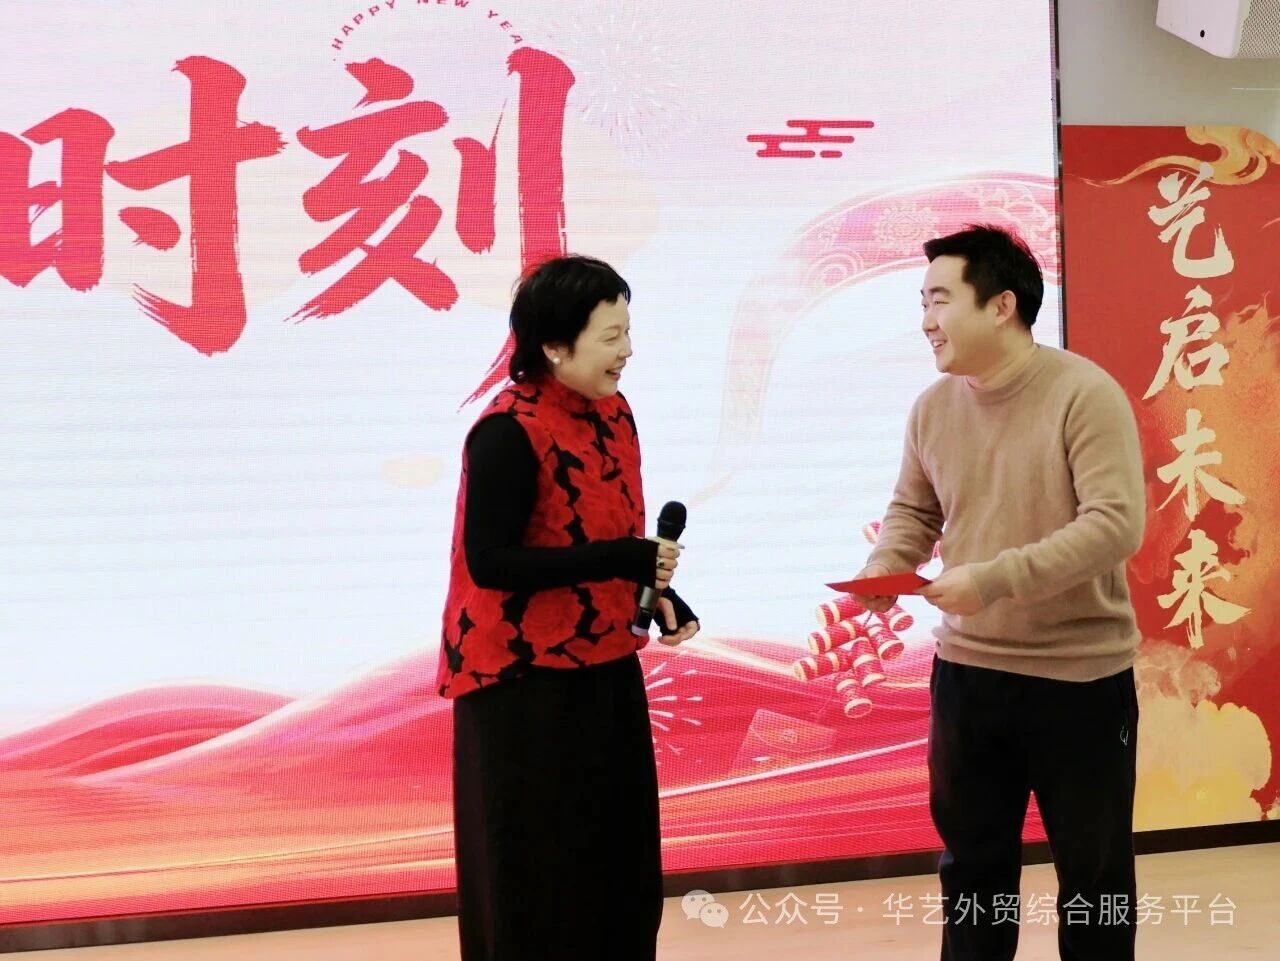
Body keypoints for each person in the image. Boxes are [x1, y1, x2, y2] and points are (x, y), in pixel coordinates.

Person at [851, 225, 1145, 960]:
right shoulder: (933, 407)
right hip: (969, 677)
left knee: (1094, 878)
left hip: (1080, 679)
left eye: (939, 300)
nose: (926, 321)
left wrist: (991, 579)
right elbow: (914, 509)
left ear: (1002, 305)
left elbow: (1114, 526)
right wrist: (887, 567)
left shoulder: (1084, 393)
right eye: (922, 303)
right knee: (973, 872)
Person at [436, 255, 700, 961]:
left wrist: (657, 592)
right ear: (555, 346)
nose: (627, 350)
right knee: (536, 883)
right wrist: (621, 559)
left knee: (619, 867)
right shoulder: (507, 430)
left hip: (605, 666)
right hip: (520, 687)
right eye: (611, 336)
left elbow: (607, 535)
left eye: (628, 331)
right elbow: (492, 564)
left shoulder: (614, 412)